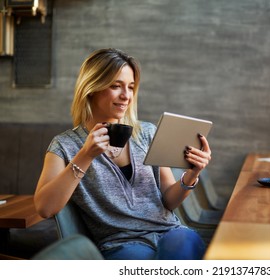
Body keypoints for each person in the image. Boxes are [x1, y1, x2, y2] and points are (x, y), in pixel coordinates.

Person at [34, 48, 212, 260]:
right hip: (121, 243)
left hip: (170, 232)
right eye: (115, 86)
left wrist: (192, 174)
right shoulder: (65, 146)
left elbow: (169, 201)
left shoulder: (146, 133)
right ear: (91, 88)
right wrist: (86, 155)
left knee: (182, 244)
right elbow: (45, 208)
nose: (126, 96)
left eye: (130, 87)